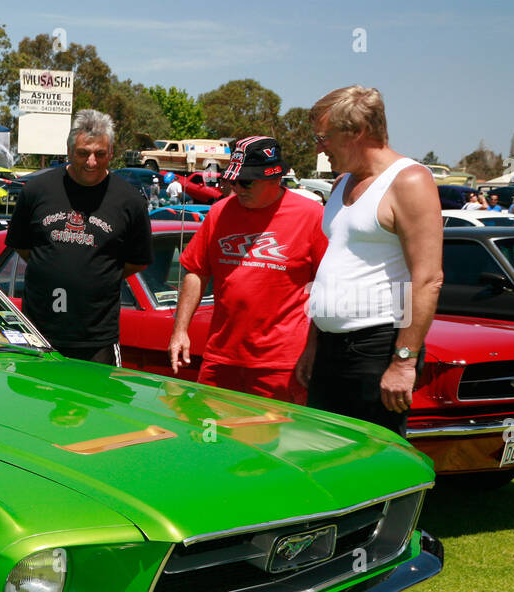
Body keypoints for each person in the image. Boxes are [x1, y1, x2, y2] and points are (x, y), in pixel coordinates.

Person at [299, 85, 443, 436]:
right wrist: (313, 345)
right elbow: (336, 266)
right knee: (321, 454)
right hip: (330, 349)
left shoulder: (409, 180)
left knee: (373, 462)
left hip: (378, 348)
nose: (319, 148)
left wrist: (403, 361)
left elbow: (427, 278)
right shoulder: (341, 184)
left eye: (324, 137)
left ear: (358, 132)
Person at [169, 136, 327, 403]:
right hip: (221, 359)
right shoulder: (219, 213)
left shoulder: (312, 216)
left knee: (271, 443)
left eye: (246, 182)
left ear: (275, 178)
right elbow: (196, 270)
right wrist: (180, 329)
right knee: (211, 437)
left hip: (281, 364)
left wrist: (313, 347)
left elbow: (327, 287)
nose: (237, 188)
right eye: (233, 181)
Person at [5, 108, 152, 363]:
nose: (91, 162)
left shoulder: (130, 201)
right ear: (69, 151)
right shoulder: (37, 190)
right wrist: (54, 265)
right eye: (83, 153)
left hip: (97, 340)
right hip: (39, 334)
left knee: (97, 403)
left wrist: (97, 273)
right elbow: (23, 246)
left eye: (100, 154)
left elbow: (137, 260)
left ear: (112, 153)